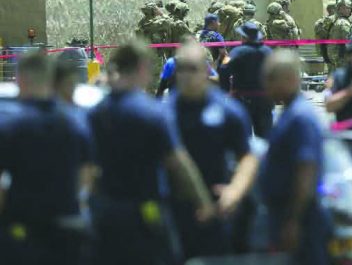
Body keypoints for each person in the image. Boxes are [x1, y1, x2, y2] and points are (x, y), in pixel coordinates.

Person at [88, 40, 215, 265]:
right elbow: (178, 162)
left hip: (106, 212)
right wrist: (202, 201)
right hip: (145, 213)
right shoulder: (153, 113)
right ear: (142, 68)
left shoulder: (96, 113)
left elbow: (88, 169)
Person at [0, 51, 94, 265]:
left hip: (23, 234)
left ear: (21, 80)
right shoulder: (77, 124)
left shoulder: (11, 128)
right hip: (69, 231)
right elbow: (87, 177)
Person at [166, 41, 258, 259]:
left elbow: (247, 158)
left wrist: (235, 191)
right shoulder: (163, 113)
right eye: (182, 69)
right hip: (174, 207)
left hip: (218, 205)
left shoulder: (227, 111)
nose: (187, 75)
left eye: (193, 69)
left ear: (206, 70)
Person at [259, 50, 331, 265]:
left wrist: (293, 221)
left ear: (291, 79)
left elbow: (306, 172)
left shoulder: (300, 118)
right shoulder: (290, 113)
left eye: (272, 77)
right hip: (285, 215)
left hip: (302, 221)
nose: (266, 84)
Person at [220, 22, 275, 138]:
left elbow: (223, 69)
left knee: (243, 139)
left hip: (242, 100)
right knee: (266, 138)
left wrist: (225, 91)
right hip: (265, 100)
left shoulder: (236, 52)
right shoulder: (269, 52)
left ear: (244, 37)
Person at [326, 0, 352, 72]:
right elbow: (348, 41)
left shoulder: (336, 20)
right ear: (341, 9)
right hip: (341, 57)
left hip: (334, 55)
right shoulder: (344, 23)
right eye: (347, 8)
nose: (349, 10)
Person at [314, 2, 336, 70]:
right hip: (332, 51)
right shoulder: (333, 21)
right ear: (332, 9)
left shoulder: (320, 22)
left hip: (325, 50)